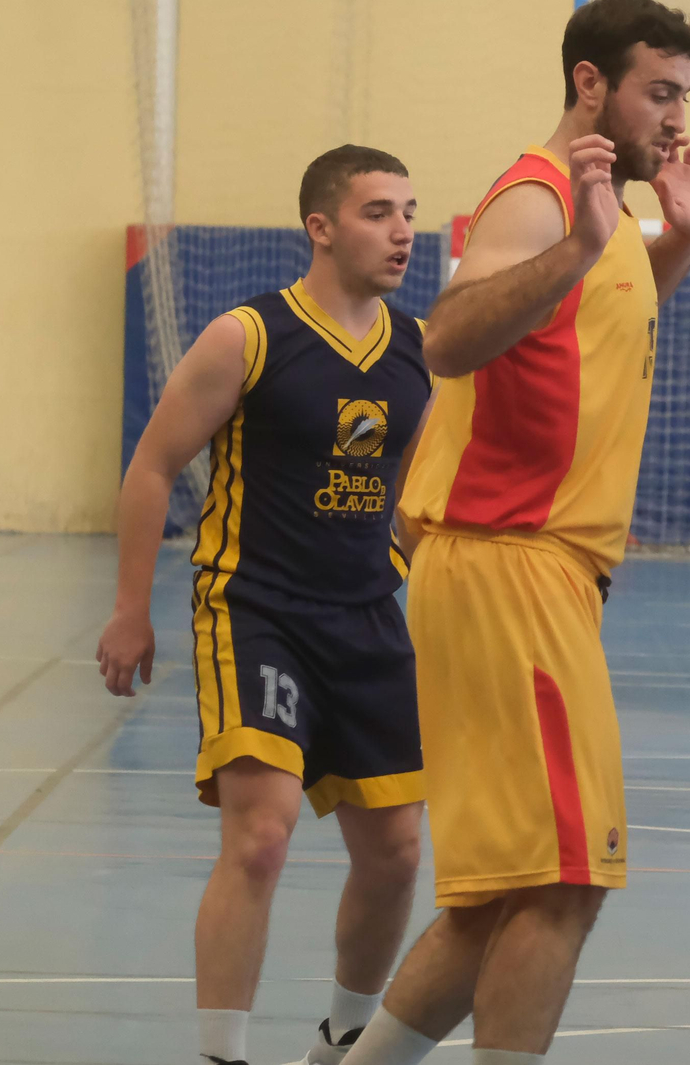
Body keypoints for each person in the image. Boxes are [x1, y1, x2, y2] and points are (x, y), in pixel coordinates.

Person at [336, 0, 690, 1065]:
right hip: (508, 565)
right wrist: (587, 242)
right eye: (657, 91)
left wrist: (676, 240)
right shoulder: (539, 201)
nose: (673, 117)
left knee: (502, 897)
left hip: (530, 572)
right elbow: (447, 340)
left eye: (684, 94)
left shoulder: (600, 218)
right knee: (565, 884)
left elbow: (590, 334)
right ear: (589, 84)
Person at [96, 145, 432, 1065]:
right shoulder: (248, 335)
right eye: (377, 211)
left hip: (367, 620)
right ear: (320, 226)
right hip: (256, 612)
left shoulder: (419, 353)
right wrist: (132, 607)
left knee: (398, 850)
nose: (402, 230)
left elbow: (407, 497)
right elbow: (154, 465)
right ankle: (222, 1053)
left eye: (409, 210)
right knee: (261, 834)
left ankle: (342, 1038)